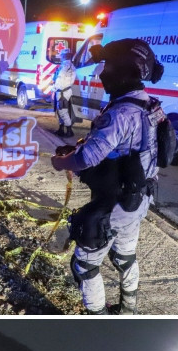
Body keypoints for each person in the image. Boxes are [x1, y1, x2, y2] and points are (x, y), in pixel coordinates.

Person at [50, 38, 167, 315]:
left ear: (125, 71)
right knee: (124, 257)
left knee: (85, 265)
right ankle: (128, 310)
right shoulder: (151, 106)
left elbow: (86, 159)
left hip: (115, 204)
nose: (101, 73)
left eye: (108, 66)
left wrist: (59, 161)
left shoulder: (120, 114)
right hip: (139, 201)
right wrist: (80, 147)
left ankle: (98, 318)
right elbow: (124, 149)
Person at [49, 45, 77, 137]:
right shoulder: (72, 66)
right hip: (66, 91)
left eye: (61, 55)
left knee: (62, 111)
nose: (60, 57)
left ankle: (69, 131)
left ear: (64, 56)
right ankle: (61, 129)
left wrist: (53, 90)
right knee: (61, 111)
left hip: (61, 92)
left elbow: (59, 81)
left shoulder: (64, 67)